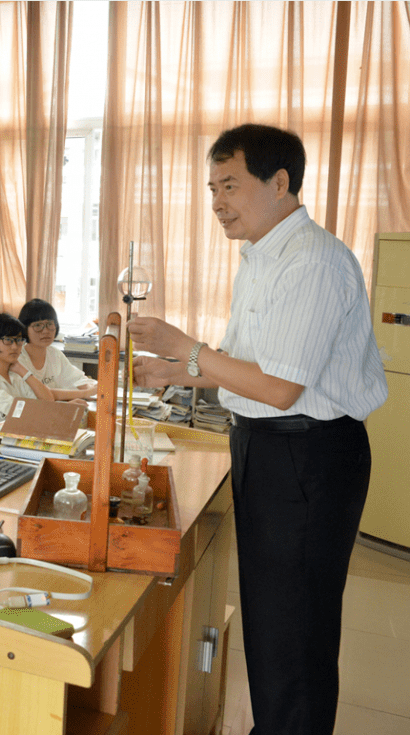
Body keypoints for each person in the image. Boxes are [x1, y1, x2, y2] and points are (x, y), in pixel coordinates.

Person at [128, 123, 387, 735]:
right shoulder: (261, 256)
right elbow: (248, 369)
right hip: (272, 445)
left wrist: (187, 348)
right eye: (211, 187)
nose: (217, 202)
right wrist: (175, 372)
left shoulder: (312, 262)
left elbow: (279, 386)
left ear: (280, 182)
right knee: (275, 618)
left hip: (307, 454)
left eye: (230, 185)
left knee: (295, 624)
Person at [0, 313, 87, 428]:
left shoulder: (14, 373)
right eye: (8, 340)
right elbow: (17, 411)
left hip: (25, 432)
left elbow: (46, 400)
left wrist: (23, 371)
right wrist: (62, 410)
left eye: (19, 340)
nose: (15, 347)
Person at [17, 299, 98, 398]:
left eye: (50, 324)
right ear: (24, 328)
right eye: (38, 325)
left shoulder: (54, 354)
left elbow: (76, 379)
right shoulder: (18, 358)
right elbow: (38, 394)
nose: (45, 331)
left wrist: (91, 386)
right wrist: (86, 393)